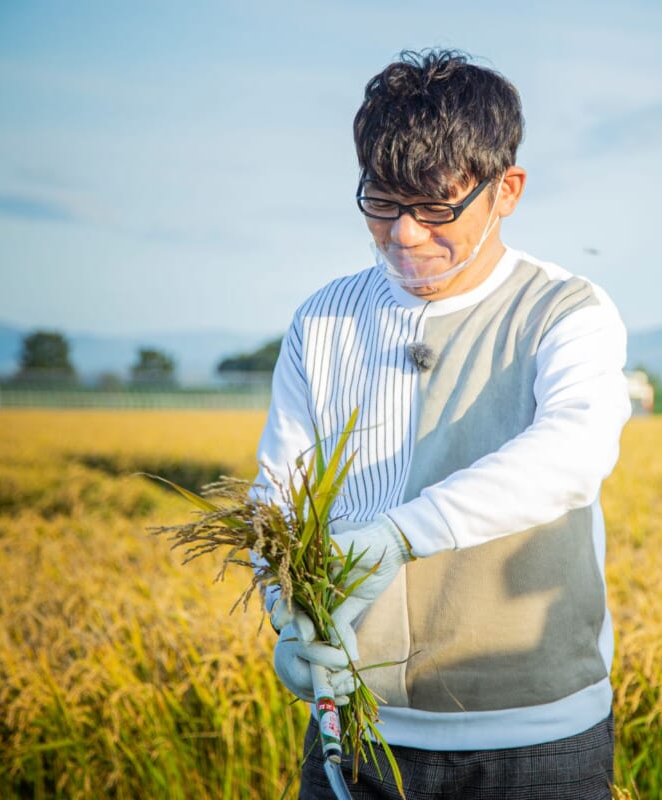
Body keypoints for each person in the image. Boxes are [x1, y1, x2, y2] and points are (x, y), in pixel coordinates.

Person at [253, 48, 631, 799]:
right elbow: (277, 493)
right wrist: (285, 618)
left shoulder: (565, 310)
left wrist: (398, 534)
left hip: (535, 737)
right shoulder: (324, 319)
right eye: (383, 205)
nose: (406, 237)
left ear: (506, 190)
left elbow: (573, 452)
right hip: (358, 732)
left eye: (436, 210)